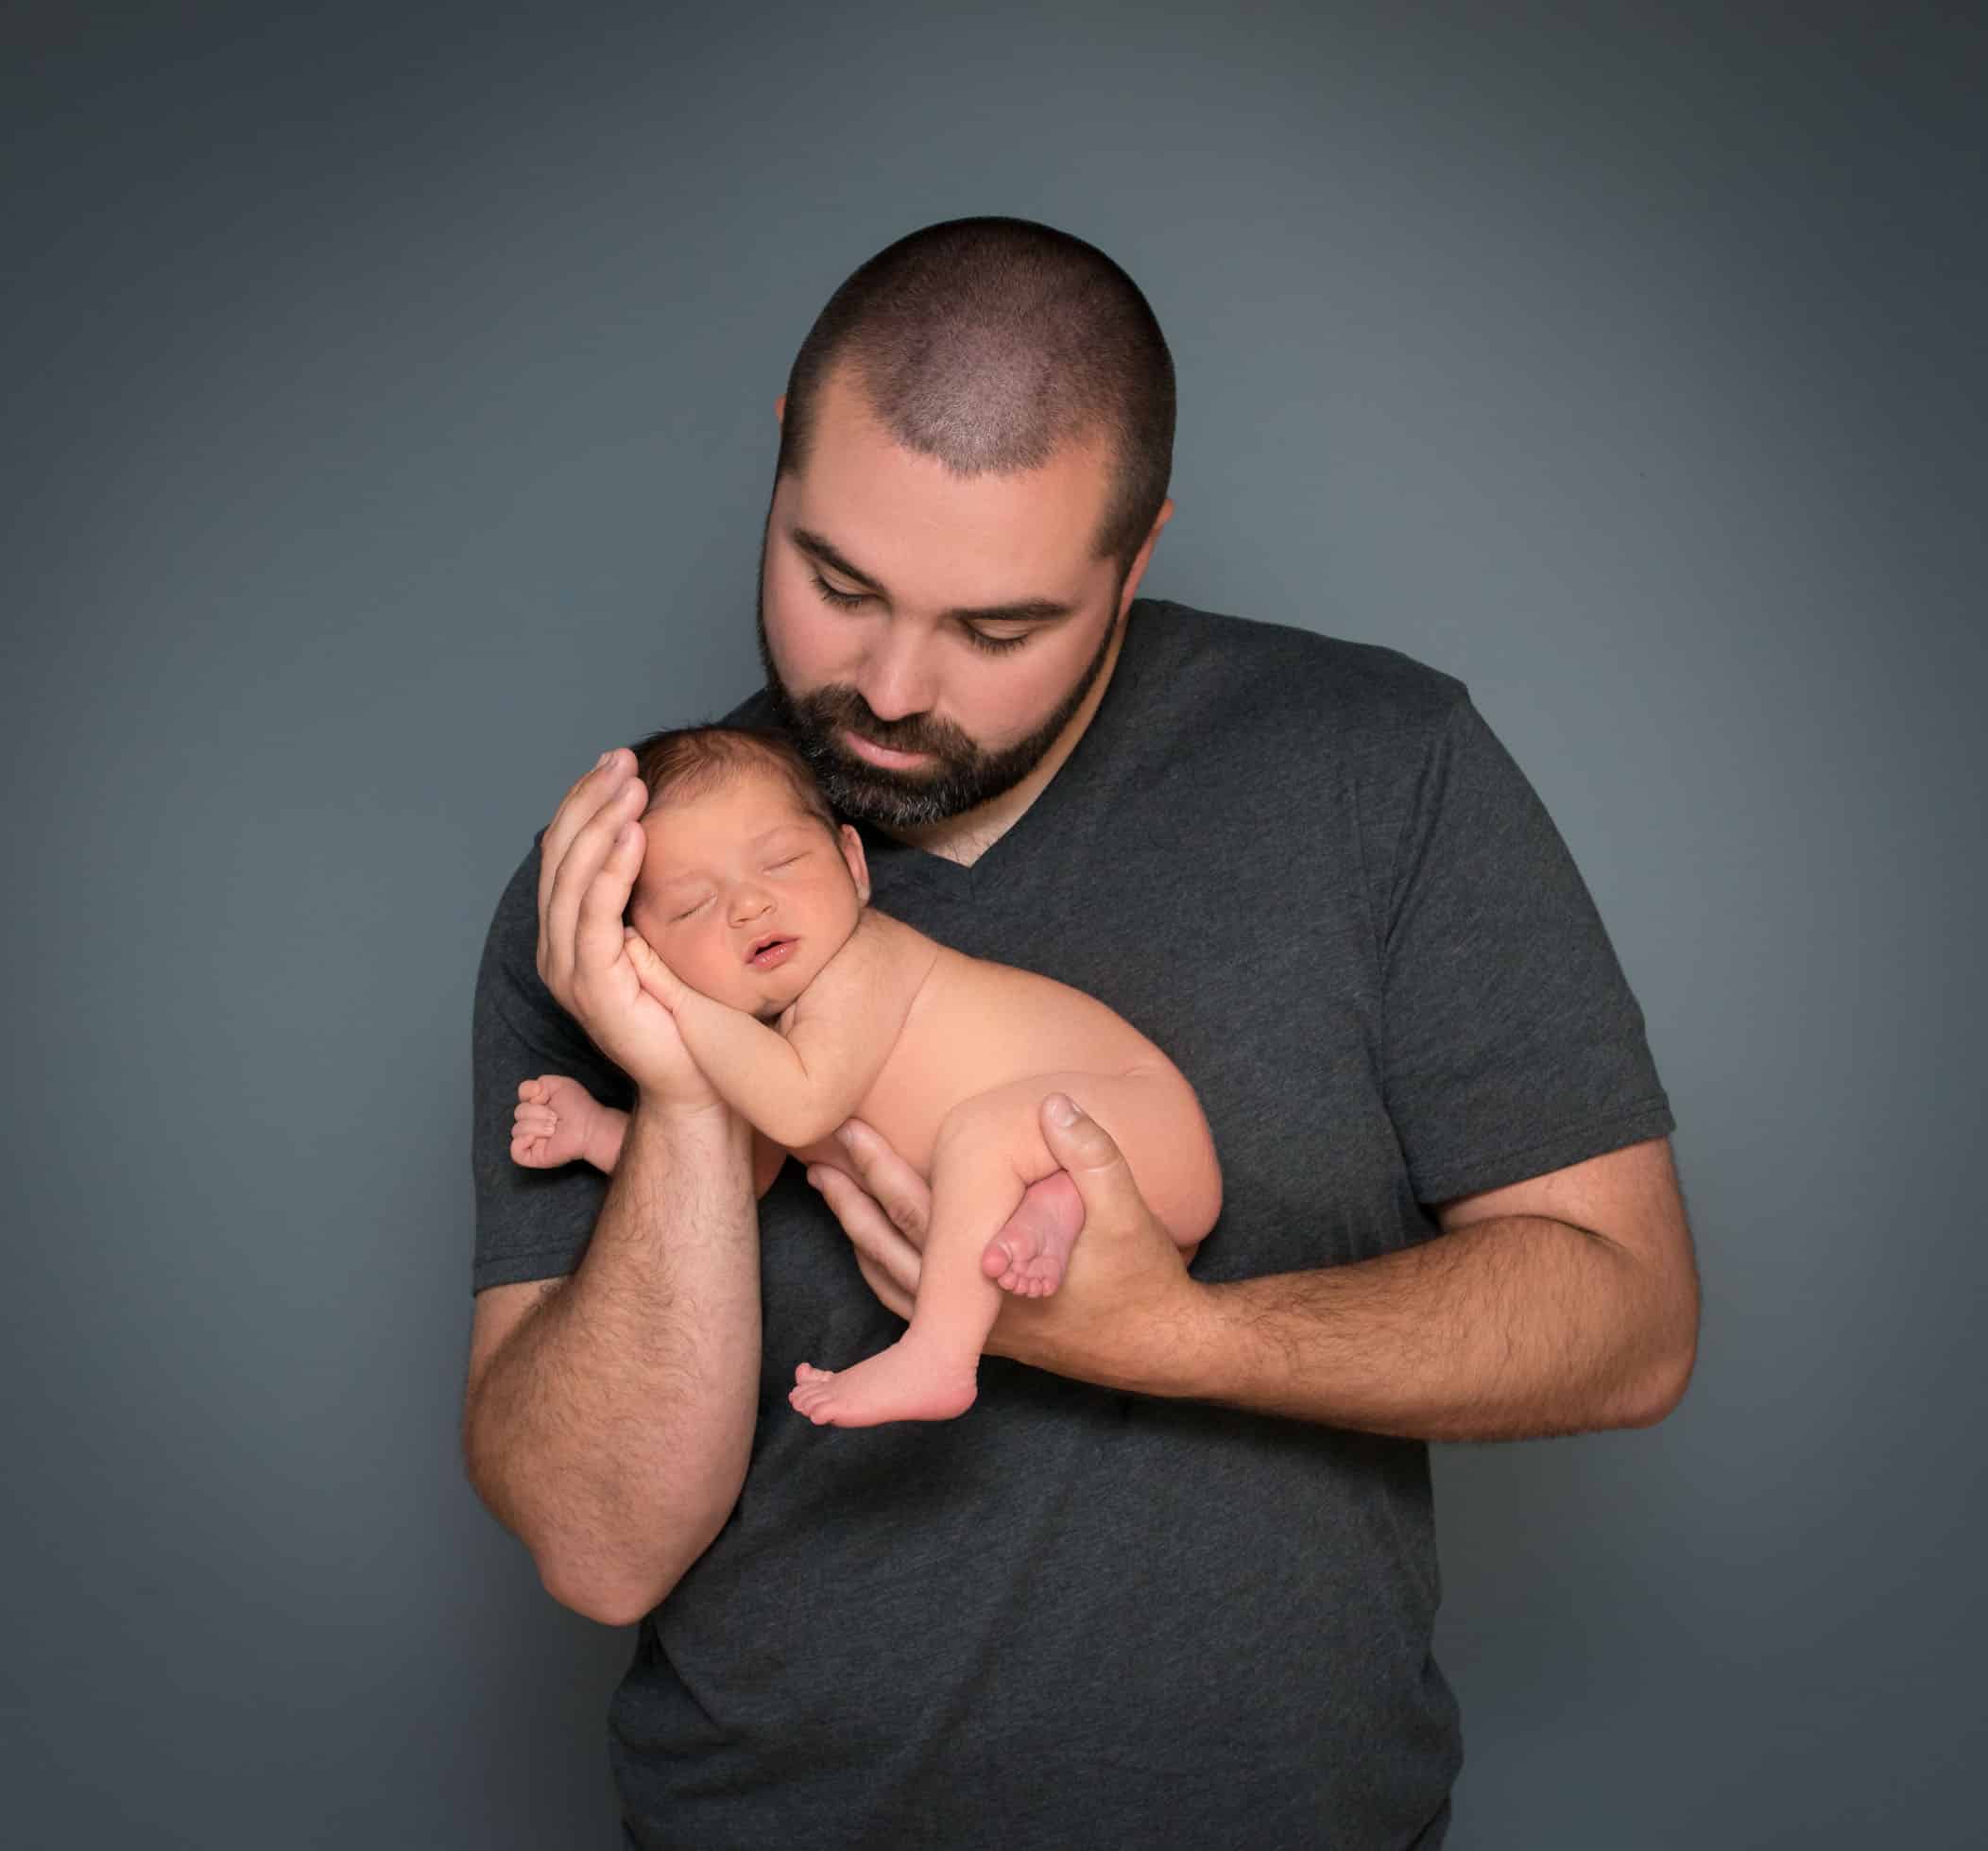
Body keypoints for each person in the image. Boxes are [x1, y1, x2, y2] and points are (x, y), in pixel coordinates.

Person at [462, 215, 1700, 1850]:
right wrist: (685, 1079)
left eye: (994, 627)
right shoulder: (636, 885)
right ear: (781, 458)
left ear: (1135, 553)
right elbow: (596, 1546)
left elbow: (1625, 1321)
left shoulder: (1376, 769)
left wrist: (1169, 1336)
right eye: (835, 579)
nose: (890, 685)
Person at [508, 722, 1222, 1426]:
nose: (750, 904)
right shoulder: (759, 1044)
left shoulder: (861, 965)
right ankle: (1055, 1210)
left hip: (1139, 1125)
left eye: (781, 861)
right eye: (693, 905)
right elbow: (739, 1173)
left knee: (985, 1130)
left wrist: (665, 994)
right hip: (1110, 1207)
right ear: (646, 937)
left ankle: (939, 1355)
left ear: (853, 863)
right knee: (999, 1142)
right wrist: (602, 1130)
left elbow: (799, 1109)